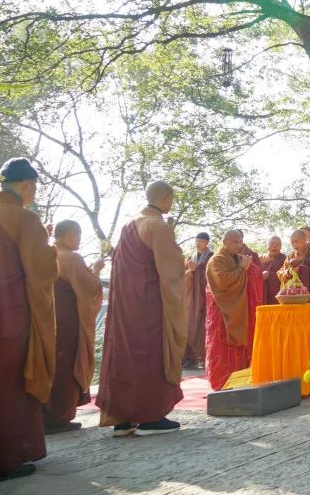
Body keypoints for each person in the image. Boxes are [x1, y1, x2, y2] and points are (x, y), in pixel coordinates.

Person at [96, 180, 186, 436]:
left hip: (125, 305)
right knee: (150, 355)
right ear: (166, 198)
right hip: (149, 304)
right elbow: (171, 271)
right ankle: (150, 417)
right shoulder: (157, 225)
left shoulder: (128, 225)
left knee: (126, 355)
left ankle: (122, 420)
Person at [0, 158, 56, 481]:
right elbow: (43, 272)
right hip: (10, 318)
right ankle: (7, 459)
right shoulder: (24, 219)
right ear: (26, 186)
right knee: (10, 386)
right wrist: (46, 246)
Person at [43, 220, 103, 434]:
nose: (78, 239)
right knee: (66, 365)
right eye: (77, 235)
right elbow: (90, 289)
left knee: (50, 365)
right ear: (69, 235)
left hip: (46, 319)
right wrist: (95, 271)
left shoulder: (46, 254)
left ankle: (44, 415)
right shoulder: (71, 257)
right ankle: (58, 416)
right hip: (67, 320)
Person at [204, 230, 263, 390]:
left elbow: (254, 274)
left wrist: (249, 268)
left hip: (238, 310)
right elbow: (222, 282)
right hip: (221, 312)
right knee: (222, 347)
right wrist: (242, 269)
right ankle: (221, 381)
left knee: (238, 348)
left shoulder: (238, 259)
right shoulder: (216, 260)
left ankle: (239, 378)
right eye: (235, 241)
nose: (239, 245)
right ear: (225, 242)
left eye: (240, 241)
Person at [182, 232, 211, 369]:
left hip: (205, 298)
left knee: (202, 326)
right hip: (190, 299)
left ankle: (204, 357)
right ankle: (190, 358)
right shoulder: (190, 258)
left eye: (200, 241)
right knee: (188, 326)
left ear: (206, 242)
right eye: (196, 240)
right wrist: (191, 272)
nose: (197, 243)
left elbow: (211, 276)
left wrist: (197, 270)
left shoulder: (211, 257)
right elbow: (183, 276)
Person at [261, 236, 286, 304]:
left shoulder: (284, 259)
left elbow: (288, 276)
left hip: (279, 294)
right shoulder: (260, 259)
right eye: (272, 244)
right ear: (267, 246)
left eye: (277, 244)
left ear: (280, 246)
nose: (274, 246)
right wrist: (261, 275)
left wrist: (271, 275)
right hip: (262, 293)